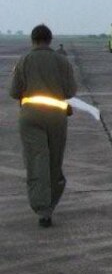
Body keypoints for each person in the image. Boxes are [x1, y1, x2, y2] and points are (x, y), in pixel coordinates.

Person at [8, 24, 77, 227]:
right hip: (56, 117)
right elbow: (71, 91)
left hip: (30, 117)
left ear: (32, 40)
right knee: (54, 162)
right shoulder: (62, 61)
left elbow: (13, 92)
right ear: (50, 40)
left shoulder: (24, 61)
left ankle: (42, 210)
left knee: (37, 161)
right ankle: (50, 206)